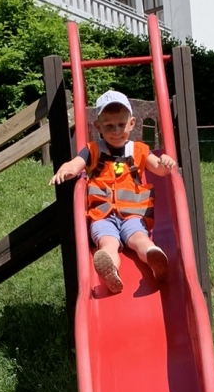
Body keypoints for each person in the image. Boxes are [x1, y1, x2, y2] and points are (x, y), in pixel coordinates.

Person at [50, 90, 177, 294]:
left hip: (133, 215)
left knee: (139, 239)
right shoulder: (93, 150)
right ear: (98, 127)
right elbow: (75, 164)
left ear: (132, 123)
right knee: (108, 243)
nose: (116, 131)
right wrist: (65, 170)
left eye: (121, 124)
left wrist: (166, 162)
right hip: (102, 216)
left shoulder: (139, 150)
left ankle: (154, 256)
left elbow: (160, 169)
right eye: (109, 126)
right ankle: (111, 272)